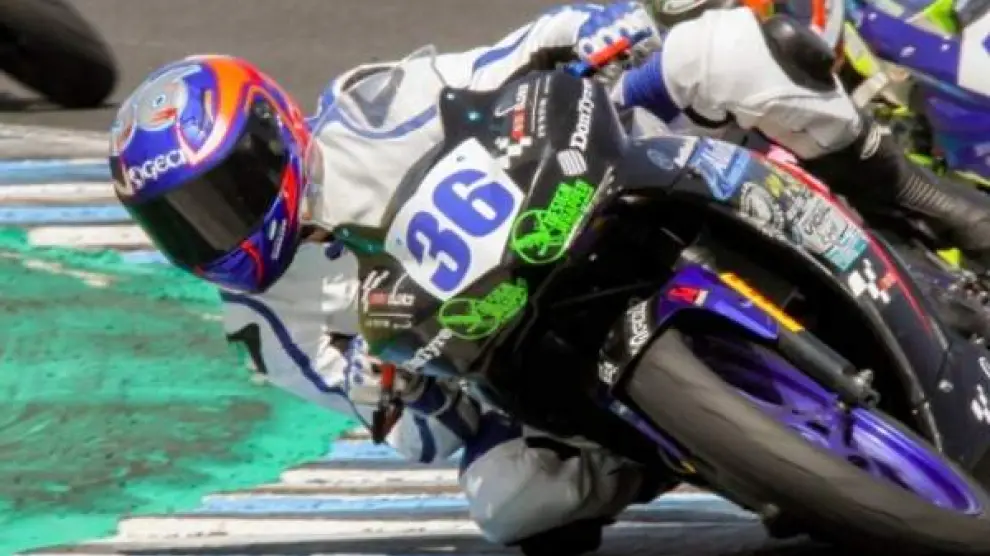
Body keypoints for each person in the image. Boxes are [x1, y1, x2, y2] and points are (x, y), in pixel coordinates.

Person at [108, 2, 990, 554]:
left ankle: (920, 196)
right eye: (182, 220)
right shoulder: (265, 326)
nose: (217, 229)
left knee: (721, 49)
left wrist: (593, 30)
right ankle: (702, 452)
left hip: (580, 187)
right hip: (508, 347)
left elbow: (501, 60)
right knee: (514, 505)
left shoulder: (370, 108)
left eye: (224, 195)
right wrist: (393, 394)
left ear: (274, 136)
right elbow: (419, 434)